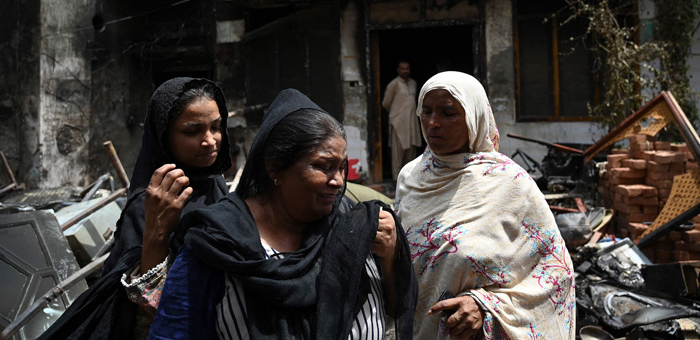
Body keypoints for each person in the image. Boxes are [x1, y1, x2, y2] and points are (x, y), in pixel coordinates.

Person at [148, 88, 417, 340]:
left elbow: (395, 306)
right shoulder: (217, 243)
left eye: (342, 167)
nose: (337, 181)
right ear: (275, 168)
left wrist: (392, 255)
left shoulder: (355, 225)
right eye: (324, 166)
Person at [39, 77, 232, 340]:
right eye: (191, 131)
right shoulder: (151, 203)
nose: (209, 140)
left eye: (216, 127)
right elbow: (140, 305)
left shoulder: (216, 185)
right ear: (165, 136)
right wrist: (158, 231)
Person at [395, 71, 575, 340]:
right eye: (427, 111)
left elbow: (554, 273)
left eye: (448, 113)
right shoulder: (410, 177)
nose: (433, 123)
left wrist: (484, 305)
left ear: (474, 116)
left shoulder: (510, 183)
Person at [382, 61, 422, 180]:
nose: (405, 71)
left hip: (411, 122)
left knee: (411, 154)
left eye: (407, 69)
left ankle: (409, 180)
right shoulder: (393, 84)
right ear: (398, 70)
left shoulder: (413, 83)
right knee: (397, 155)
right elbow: (386, 103)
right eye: (403, 69)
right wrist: (397, 113)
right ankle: (397, 180)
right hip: (398, 122)